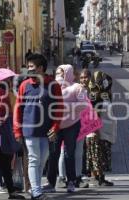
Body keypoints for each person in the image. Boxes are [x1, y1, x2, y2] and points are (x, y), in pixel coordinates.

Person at [13, 53, 64, 200]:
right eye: (28, 66)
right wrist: (17, 131)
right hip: (29, 129)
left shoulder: (53, 86)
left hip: (47, 131)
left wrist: (55, 127)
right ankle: (35, 190)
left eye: (32, 66)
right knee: (34, 159)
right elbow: (18, 109)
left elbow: (59, 109)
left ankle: (36, 187)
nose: (29, 69)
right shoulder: (25, 85)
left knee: (43, 158)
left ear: (41, 68)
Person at [43, 65, 88, 193]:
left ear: (68, 74)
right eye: (57, 73)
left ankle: (71, 181)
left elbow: (83, 105)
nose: (59, 76)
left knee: (69, 154)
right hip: (55, 125)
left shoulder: (77, 87)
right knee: (53, 154)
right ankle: (51, 182)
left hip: (71, 125)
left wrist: (64, 107)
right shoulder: (52, 87)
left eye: (62, 74)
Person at [57, 69, 90, 189]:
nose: (83, 80)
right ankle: (62, 177)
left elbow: (87, 106)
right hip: (63, 124)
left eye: (85, 77)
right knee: (63, 152)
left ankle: (77, 177)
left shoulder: (85, 89)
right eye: (81, 77)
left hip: (82, 124)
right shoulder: (59, 87)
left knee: (78, 152)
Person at [86, 71, 114, 187]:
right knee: (98, 156)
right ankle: (100, 179)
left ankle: (99, 178)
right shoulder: (95, 95)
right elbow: (95, 114)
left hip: (104, 131)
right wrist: (96, 130)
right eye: (101, 80)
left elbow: (110, 81)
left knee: (99, 155)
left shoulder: (104, 93)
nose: (103, 82)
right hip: (98, 131)